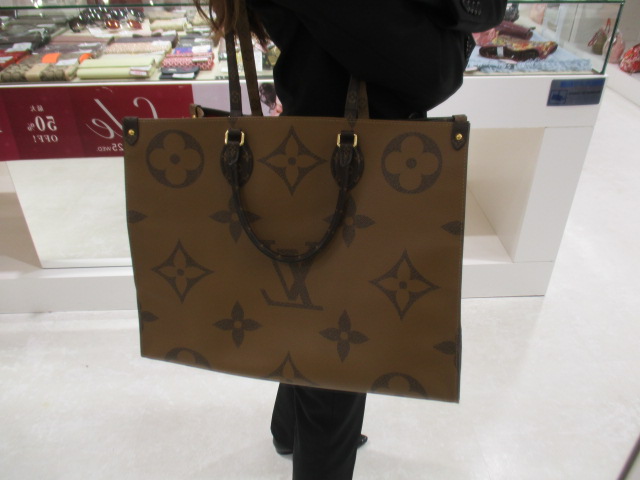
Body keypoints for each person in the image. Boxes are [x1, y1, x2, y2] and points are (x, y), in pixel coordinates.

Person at [193, 1, 507, 478]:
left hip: (314, 147)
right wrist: (464, 33)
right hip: (354, 163)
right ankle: (305, 442)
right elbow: (430, 73)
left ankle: (288, 430)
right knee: (340, 344)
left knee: (307, 304)